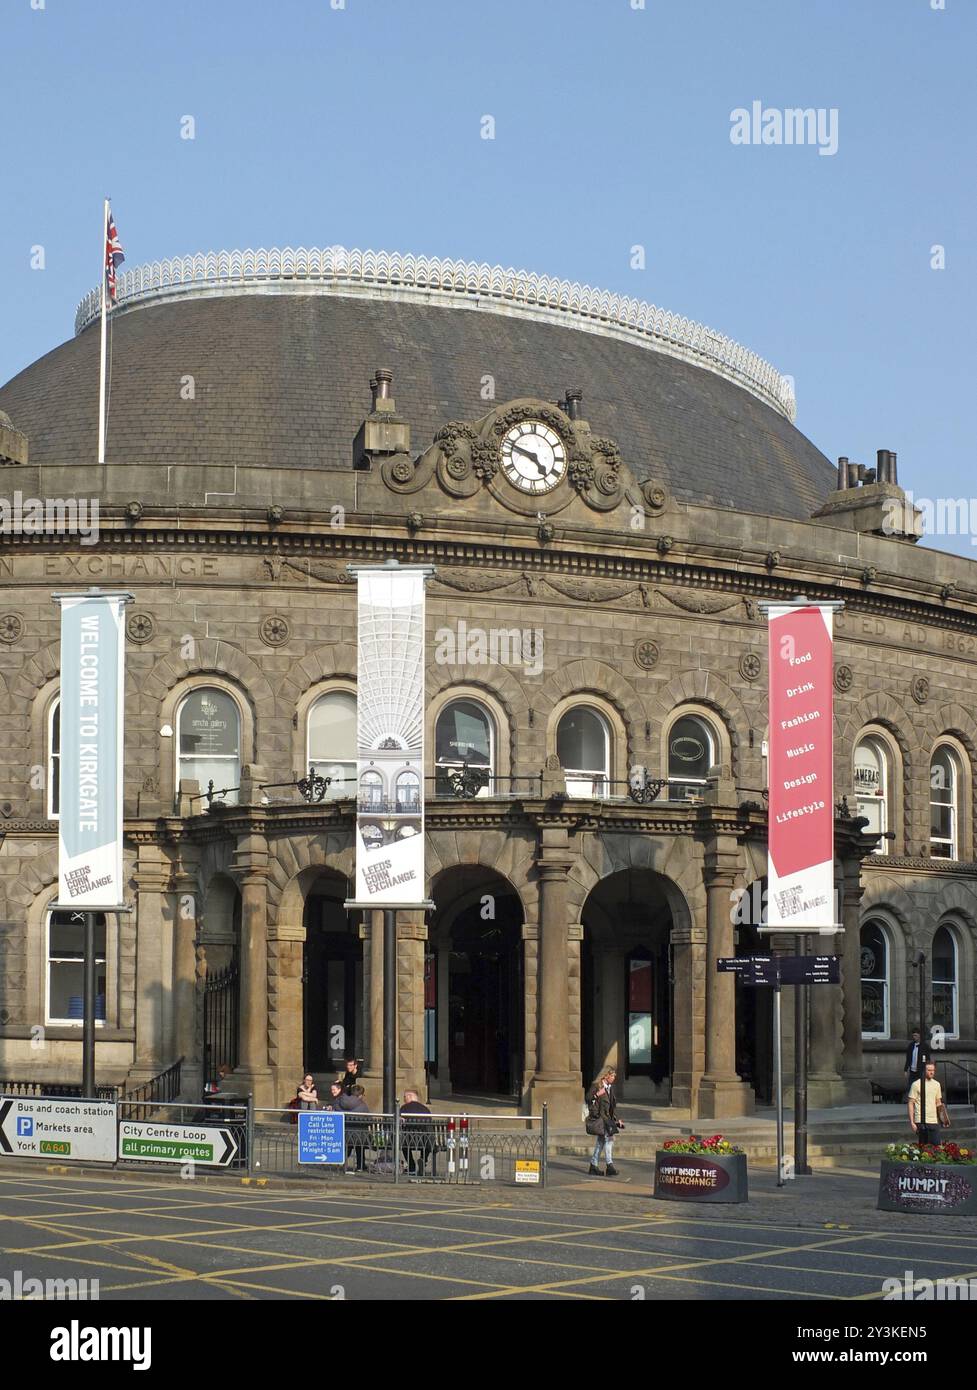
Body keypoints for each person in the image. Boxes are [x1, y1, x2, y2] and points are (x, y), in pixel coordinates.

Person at [585, 1069, 624, 1176]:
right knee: (609, 1140)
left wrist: (617, 1120)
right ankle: (609, 1165)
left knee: (601, 1142)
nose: (613, 1078)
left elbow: (611, 1107)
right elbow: (588, 1098)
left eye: (614, 1076)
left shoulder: (610, 1088)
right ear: (606, 1076)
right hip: (599, 1119)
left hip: (607, 1120)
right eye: (612, 1076)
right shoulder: (596, 1086)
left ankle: (593, 1165)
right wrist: (597, 1094)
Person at [908, 1060, 947, 1148]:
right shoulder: (916, 1084)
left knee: (937, 1147)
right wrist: (912, 1122)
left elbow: (938, 1103)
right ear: (924, 1071)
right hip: (921, 1120)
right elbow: (911, 1103)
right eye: (929, 1070)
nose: (931, 1072)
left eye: (933, 1070)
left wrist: (943, 1119)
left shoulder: (937, 1084)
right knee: (924, 1148)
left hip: (934, 1120)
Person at [399, 1088, 432, 1176]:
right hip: (425, 1140)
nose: (404, 1099)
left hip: (409, 1141)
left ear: (410, 1096)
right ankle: (423, 1160)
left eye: (405, 1097)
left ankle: (411, 1166)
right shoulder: (426, 1110)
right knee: (428, 1144)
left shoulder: (404, 1108)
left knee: (404, 1145)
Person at [339, 1084, 371, 1171]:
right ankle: (360, 1166)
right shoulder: (363, 1105)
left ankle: (343, 1164)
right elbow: (369, 1119)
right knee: (360, 1148)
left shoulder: (341, 1100)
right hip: (360, 1133)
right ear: (360, 1095)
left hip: (344, 1132)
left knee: (347, 1148)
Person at [904, 1029, 930, 1095]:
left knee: (921, 1086)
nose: (914, 1037)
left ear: (919, 1035)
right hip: (912, 1070)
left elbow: (928, 1058)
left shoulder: (924, 1046)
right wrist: (906, 1069)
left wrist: (927, 1069)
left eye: (915, 1035)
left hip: (921, 1070)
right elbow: (908, 1058)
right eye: (913, 1035)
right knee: (911, 1086)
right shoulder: (911, 1045)